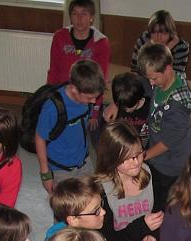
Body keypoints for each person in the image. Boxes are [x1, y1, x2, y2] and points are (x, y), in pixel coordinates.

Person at [95, 121, 162, 241]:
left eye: (139, 154)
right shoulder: (100, 191)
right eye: (127, 158)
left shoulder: (151, 174)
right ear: (110, 157)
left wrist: (153, 236)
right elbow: (107, 240)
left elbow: (158, 214)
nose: (136, 162)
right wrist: (143, 227)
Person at [137, 43, 191, 209]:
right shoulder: (163, 81)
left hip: (170, 163)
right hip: (156, 154)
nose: (151, 83)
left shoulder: (178, 106)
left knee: (160, 203)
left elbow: (167, 143)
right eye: (149, 78)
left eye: (154, 78)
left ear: (168, 69)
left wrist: (142, 157)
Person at [36, 59, 105, 194]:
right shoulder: (52, 108)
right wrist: (45, 173)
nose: (93, 101)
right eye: (90, 97)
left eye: (96, 97)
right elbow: (39, 138)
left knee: (92, 197)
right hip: (61, 169)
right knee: (66, 208)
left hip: (83, 161)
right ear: (74, 89)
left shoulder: (87, 98)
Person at [47, 0, 110, 131]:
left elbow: (101, 78)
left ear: (92, 17)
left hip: (86, 97)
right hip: (63, 93)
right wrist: (50, 97)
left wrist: (95, 111)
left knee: (92, 133)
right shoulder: (60, 37)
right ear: (70, 16)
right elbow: (53, 70)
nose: (79, 19)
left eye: (84, 14)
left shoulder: (101, 42)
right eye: (75, 14)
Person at [130, 10, 190, 74]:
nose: (158, 37)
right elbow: (135, 69)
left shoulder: (181, 46)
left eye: (163, 33)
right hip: (145, 79)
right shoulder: (144, 39)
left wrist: (166, 50)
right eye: (154, 32)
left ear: (170, 32)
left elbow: (177, 76)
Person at [107, 72, 151, 148]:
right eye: (122, 107)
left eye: (128, 107)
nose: (126, 110)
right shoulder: (121, 102)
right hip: (123, 144)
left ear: (138, 99)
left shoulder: (149, 106)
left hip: (141, 146)